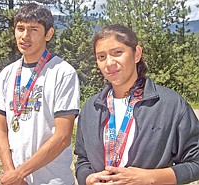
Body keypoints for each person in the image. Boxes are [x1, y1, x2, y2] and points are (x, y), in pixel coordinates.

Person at [74, 24, 199, 185]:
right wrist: (87, 178)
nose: (109, 63)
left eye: (117, 53)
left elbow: (196, 162)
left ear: (137, 54)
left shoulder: (170, 104)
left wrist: (149, 178)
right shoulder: (91, 108)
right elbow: (83, 160)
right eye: (101, 57)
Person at [0, 3, 80, 185]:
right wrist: (13, 174)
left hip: (53, 180)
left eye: (33, 29)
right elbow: (1, 128)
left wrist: (19, 173)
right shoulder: (7, 74)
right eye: (20, 28)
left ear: (48, 34)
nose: (25, 36)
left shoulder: (62, 72)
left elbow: (63, 137)